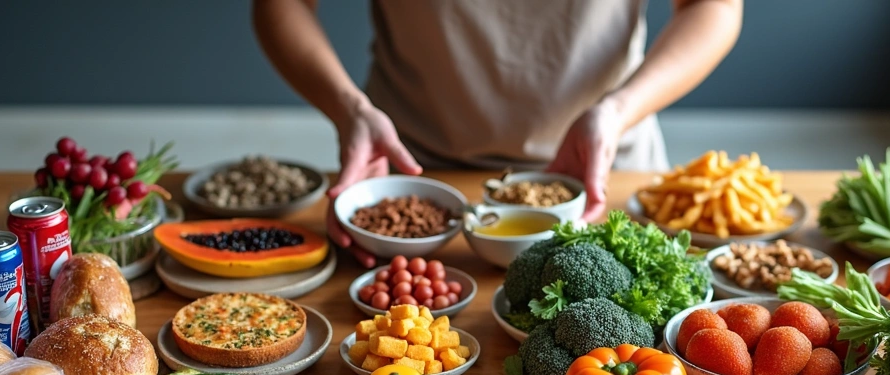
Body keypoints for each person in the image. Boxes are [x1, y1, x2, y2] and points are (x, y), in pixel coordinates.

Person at [253, 0, 743, 266]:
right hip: (412, 162)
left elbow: (714, 7)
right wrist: (350, 110)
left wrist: (618, 111)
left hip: (604, 164)